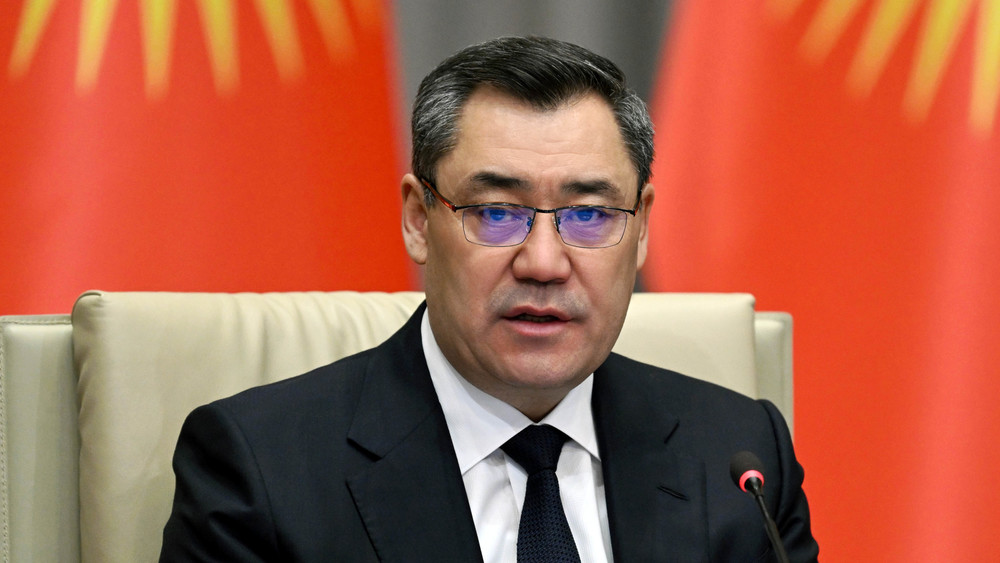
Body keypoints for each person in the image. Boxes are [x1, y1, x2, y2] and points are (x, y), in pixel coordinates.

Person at [160, 36, 819, 562]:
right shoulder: (262, 470)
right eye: (497, 212)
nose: (543, 263)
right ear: (418, 220)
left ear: (641, 228)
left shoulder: (741, 461)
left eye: (590, 215)